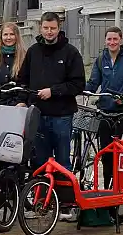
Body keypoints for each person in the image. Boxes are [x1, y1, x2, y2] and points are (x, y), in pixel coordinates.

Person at [85, 25, 123, 224]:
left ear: (120, 40)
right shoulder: (100, 60)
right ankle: (109, 195)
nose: (112, 42)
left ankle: (120, 196)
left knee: (122, 158)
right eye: (109, 39)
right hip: (105, 113)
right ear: (105, 41)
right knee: (105, 156)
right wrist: (80, 90)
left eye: (115, 39)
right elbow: (93, 83)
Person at [17, 12, 85, 171]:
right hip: (37, 114)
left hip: (62, 116)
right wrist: (21, 100)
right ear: (40, 28)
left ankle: (64, 195)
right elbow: (23, 80)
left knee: (62, 162)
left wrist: (53, 91)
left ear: (59, 28)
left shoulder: (71, 52)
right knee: (39, 162)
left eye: (53, 28)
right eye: (46, 28)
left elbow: (78, 84)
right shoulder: (33, 52)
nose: (49, 31)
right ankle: (42, 195)